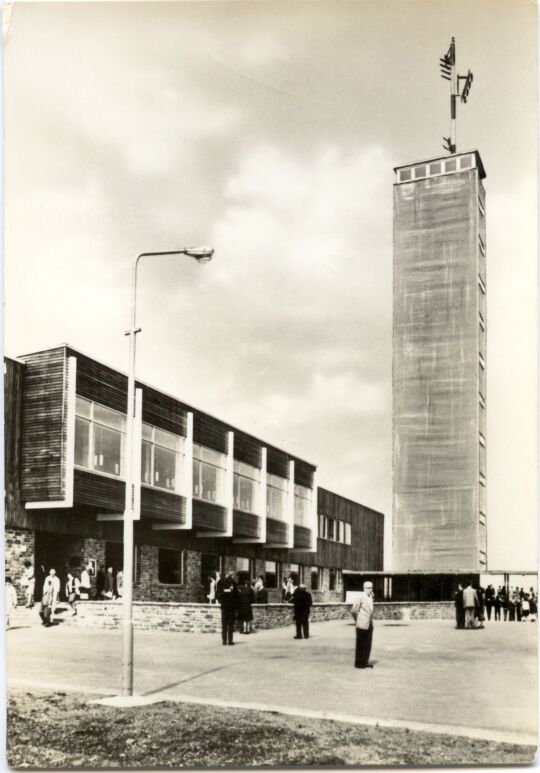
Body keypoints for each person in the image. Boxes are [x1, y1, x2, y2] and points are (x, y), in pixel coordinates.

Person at [351, 581, 375, 668]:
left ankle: (365, 661)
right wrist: (357, 620)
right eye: (368, 588)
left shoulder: (371, 597)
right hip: (361, 623)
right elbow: (353, 610)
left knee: (368, 644)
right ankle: (359, 663)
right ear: (364, 588)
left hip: (369, 623)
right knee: (360, 644)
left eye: (371, 588)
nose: (370, 589)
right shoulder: (360, 597)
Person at [216, 571, 239, 645]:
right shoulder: (234, 583)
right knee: (231, 625)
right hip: (231, 607)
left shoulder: (220, 582)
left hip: (224, 607)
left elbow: (217, 594)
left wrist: (221, 600)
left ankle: (224, 641)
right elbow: (237, 597)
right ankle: (230, 641)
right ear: (232, 576)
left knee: (224, 624)